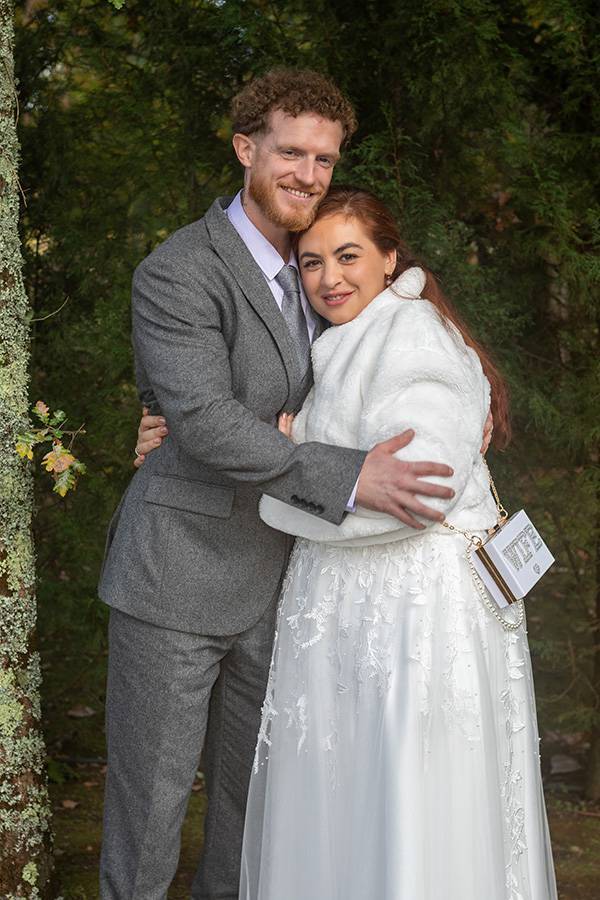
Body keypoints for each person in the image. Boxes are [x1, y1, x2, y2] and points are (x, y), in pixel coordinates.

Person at [98, 70, 463, 900]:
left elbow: (388, 364)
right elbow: (205, 420)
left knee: (249, 818)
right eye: (291, 152)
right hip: (178, 576)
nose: (308, 173)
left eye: (324, 159)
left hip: (288, 585)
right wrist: (351, 474)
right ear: (245, 148)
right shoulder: (179, 270)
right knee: (148, 820)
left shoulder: (320, 266)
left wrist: (463, 411)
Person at [231, 187, 558, 899]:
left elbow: (422, 491)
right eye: (311, 262)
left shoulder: (411, 335)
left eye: (348, 256)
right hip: (355, 604)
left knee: (409, 793)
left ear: (388, 259)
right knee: (355, 795)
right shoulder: (345, 338)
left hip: (410, 608)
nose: (329, 278)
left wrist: (288, 470)